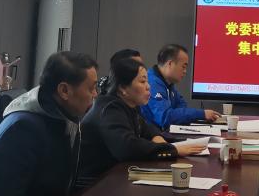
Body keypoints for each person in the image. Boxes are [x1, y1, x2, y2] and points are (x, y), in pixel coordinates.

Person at [0, 51, 98, 196]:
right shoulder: (22, 129)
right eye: (91, 88)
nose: (95, 94)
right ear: (64, 90)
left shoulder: (63, 118)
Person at [77, 58, 205, 188]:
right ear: (123, 88)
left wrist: (156, 137)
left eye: (147, 81)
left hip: (114, 177)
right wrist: (173, 150)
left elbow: (145, 127)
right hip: (93, 186)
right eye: (143, 81)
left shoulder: (128, 104)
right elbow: (128, 146)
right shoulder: (109, 109)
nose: (148, 86)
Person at [141, 43, 219, 130]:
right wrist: (201, 114)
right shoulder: (152, 83)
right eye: (183, 67)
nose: (185, 71)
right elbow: (165, 117)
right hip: (151, 136)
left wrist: (176, 114)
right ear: (170, 64)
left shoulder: (167, 83)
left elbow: (182, 104)